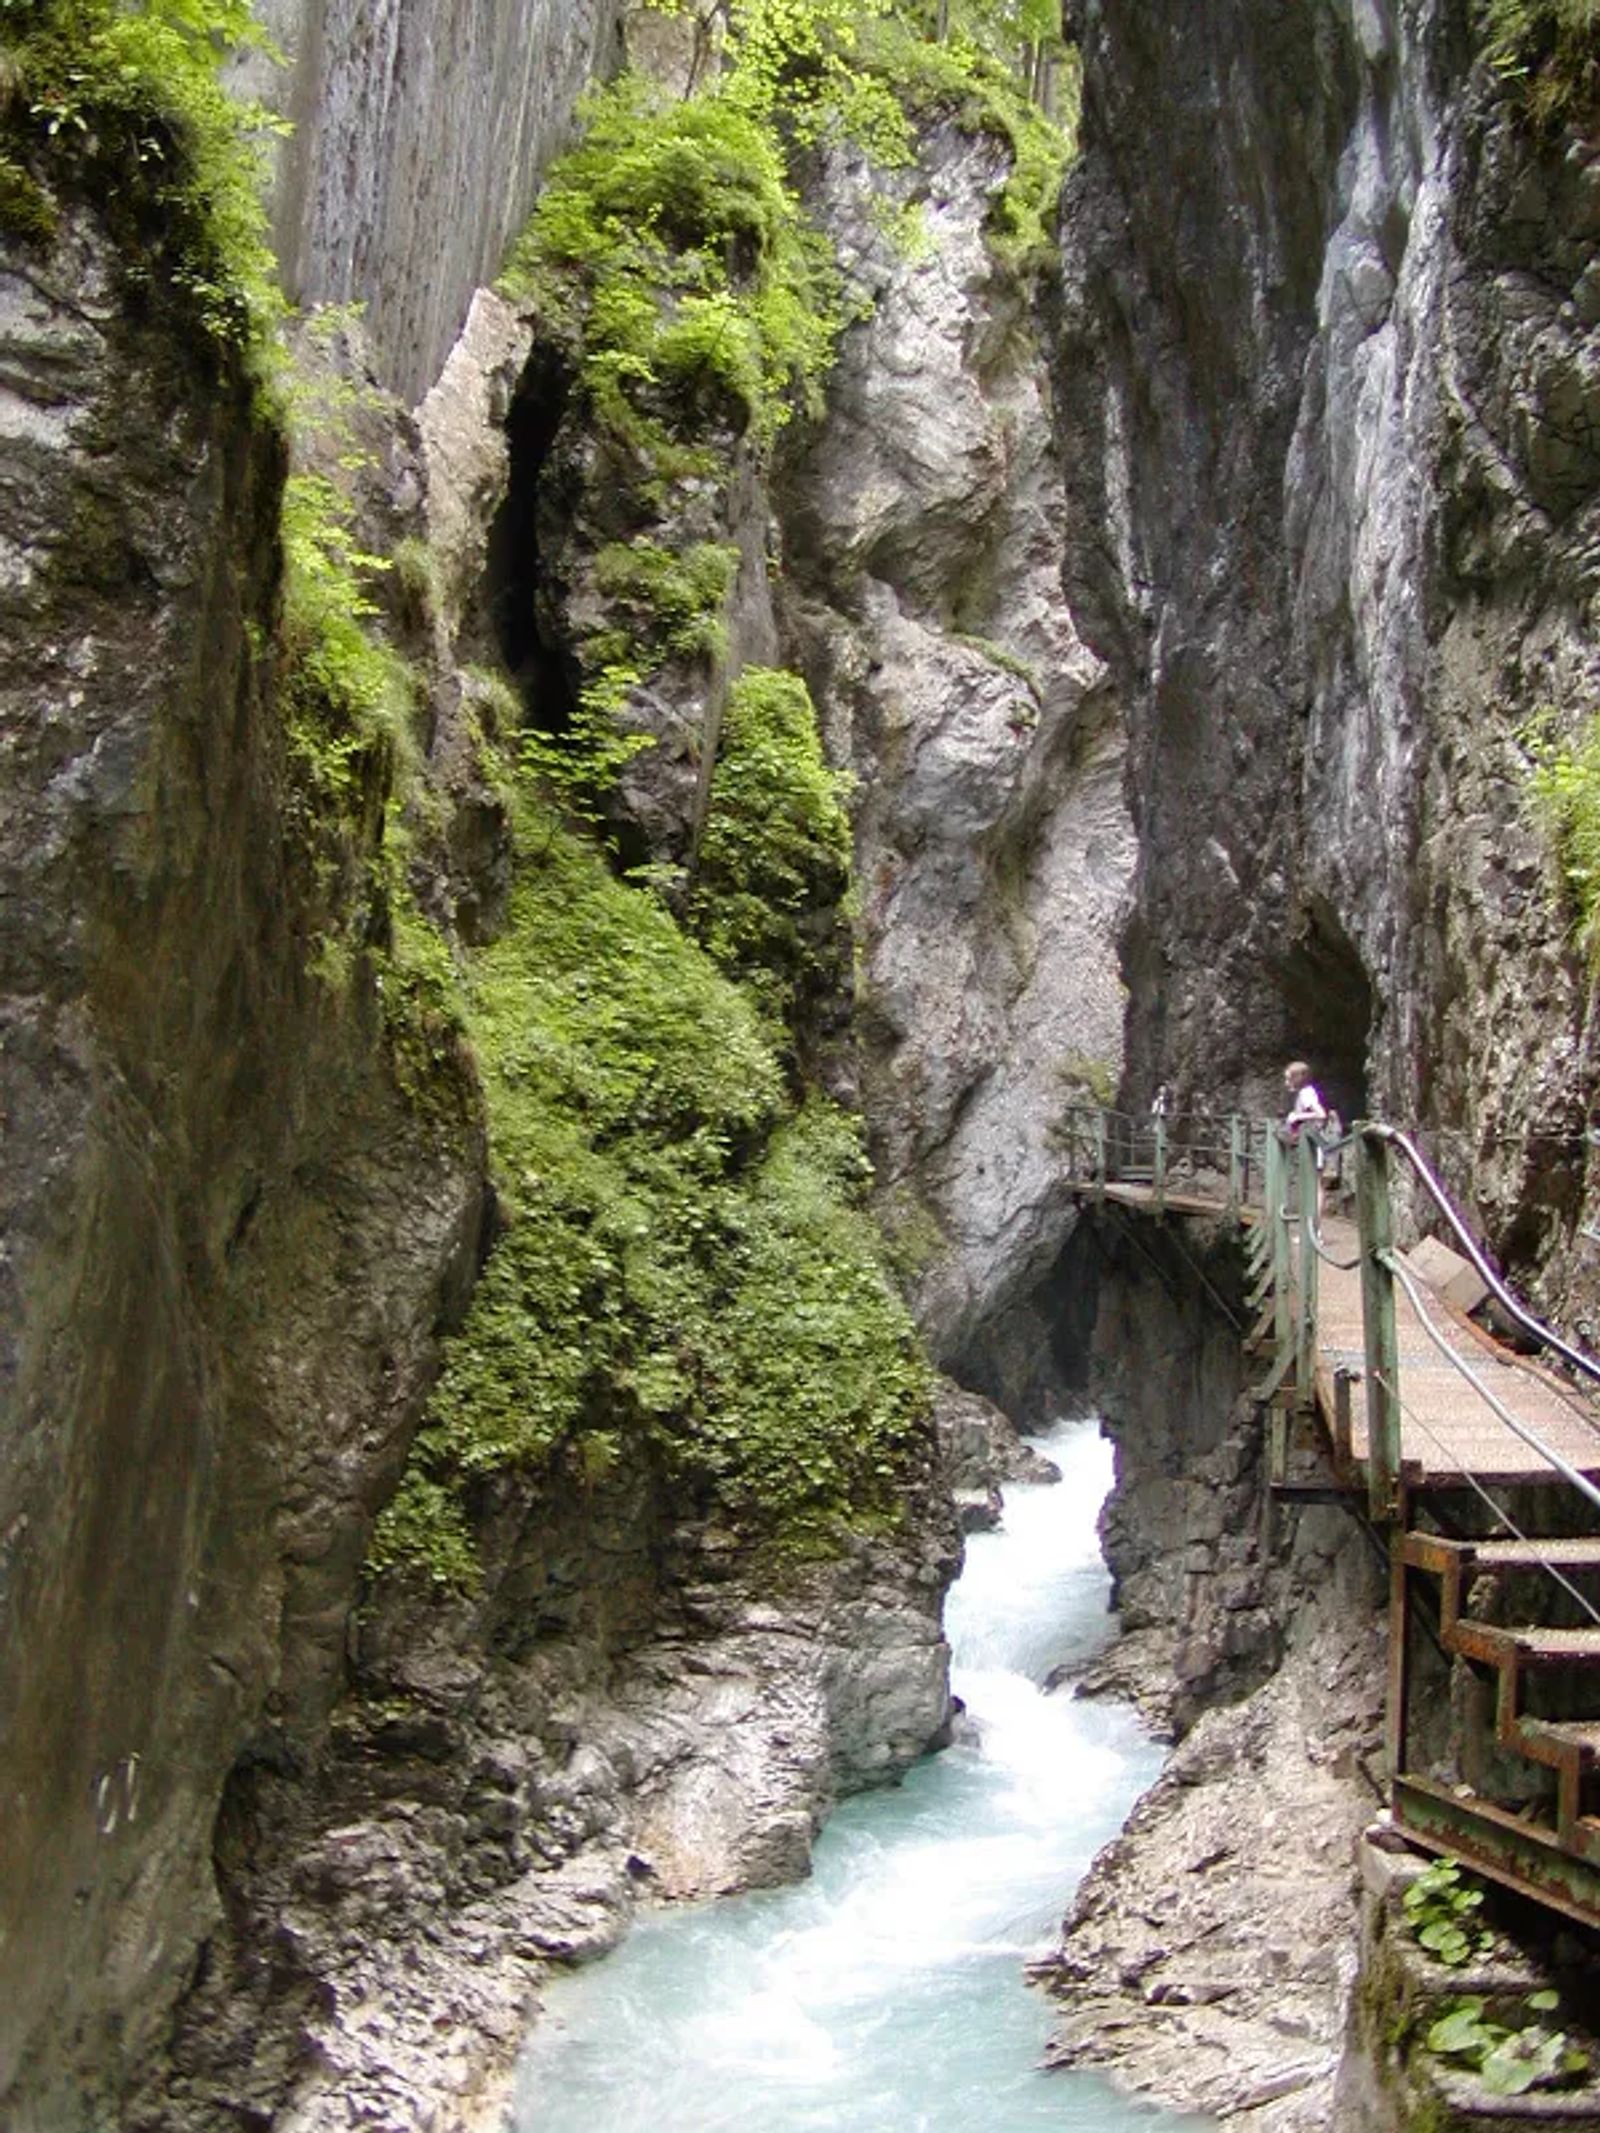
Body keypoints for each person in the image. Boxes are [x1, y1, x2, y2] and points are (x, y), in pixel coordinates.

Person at [1283, 1060, 1326, 1142]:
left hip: (1314, 1142)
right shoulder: (1303, 1093)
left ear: (1298, 1079)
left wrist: (1297, 1116)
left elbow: (1321, 1114)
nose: (1286, 1083)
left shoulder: (1305, 1093)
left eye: (1289, 1079)